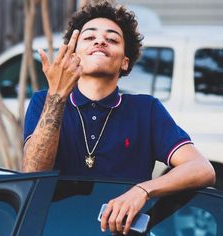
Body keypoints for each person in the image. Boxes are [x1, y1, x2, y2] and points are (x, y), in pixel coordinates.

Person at [22, 1, 215, 235]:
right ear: (73, 55)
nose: (100, 41)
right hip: (56, 228)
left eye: (112, 39)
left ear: (125, 62)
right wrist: (58, 95)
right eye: (89, 37)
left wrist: (143, 190)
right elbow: (34, 172)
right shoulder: (45, 101)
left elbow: (202, 169)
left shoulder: (146, 109)